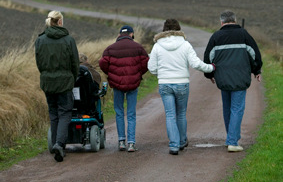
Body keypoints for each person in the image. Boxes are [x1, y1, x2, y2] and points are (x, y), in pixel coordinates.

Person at [148, 19, 215, 155]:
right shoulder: (185, 45)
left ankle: (173, 145)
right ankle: (182, 141)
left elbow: (151, 68)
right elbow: (196, 64)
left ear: (164, 29)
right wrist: (210, 68)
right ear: (179, 29)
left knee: (170, 114)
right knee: (181, 113)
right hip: (181, 83)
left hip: (165, 83)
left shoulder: (157, 46)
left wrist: (161, 73)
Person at [203, 10, 262, 152]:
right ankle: (233, 142)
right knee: (237, 109)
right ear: (234, 21)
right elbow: (255, 55)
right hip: (240, 78)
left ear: (221, 22)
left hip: (222, 79)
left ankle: (230, 138)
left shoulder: (216, 37)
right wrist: (256, 70)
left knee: (227, 108)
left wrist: (209, 74)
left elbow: (208, 58)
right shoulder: (244, 35)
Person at [35, 10, 79, 162]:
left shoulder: (40, 40)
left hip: (47, 82)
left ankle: (55, 144)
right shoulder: (68, 40)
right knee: (65, 113)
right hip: (65, 82)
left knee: (53, 113)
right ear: (60, 21)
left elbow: (39, 63)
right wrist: (72, 78)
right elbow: (75, 63)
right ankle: (60, 144)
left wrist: (46, 75)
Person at [99, 25, 149, 152]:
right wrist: (138, 74)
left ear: (119, 34)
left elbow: (103, 63)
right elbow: (146, 63)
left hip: (117, 84)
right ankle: (131, 143)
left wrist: (111, 74)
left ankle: (121, 141)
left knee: (119, 112)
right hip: (133, 83)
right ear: (132, 34)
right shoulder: (138, 47)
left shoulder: (110, 49)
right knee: (131, 113)